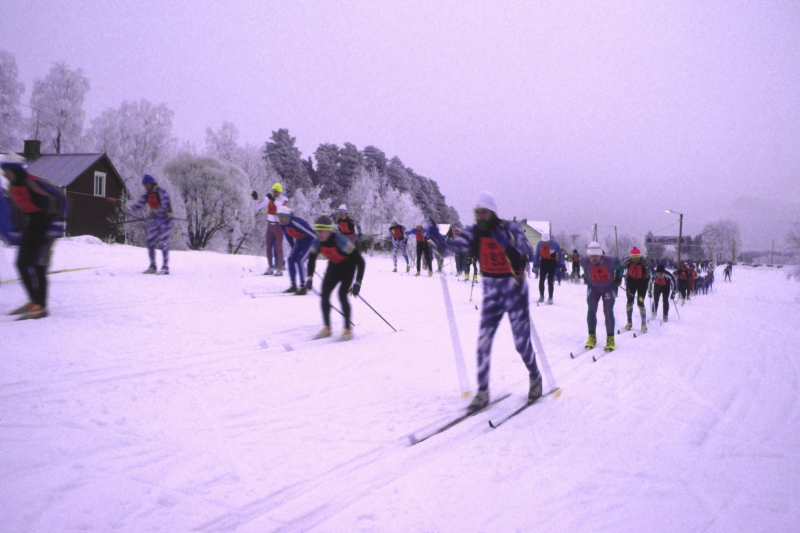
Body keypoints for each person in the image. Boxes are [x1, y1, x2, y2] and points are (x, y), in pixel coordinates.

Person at [426, 192, 542, 412]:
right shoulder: (474, 233)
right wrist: (438, 241)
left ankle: (535, 376)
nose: (480, 216)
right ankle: (482, 392)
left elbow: (528, 249)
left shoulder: (510, 228)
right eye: (477, 212)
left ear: (493, 213)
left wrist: (510, 242)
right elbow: (450, 249)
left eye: (484, 212)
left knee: (521, 342)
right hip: (491, 292)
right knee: (483, 341)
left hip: (514, 288)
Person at [1, 160, 67, 319]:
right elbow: (16, 210)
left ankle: (41, 306)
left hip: (46, 223)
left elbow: (62, 199)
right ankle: (34, 302)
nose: (6, 175)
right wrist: (16, 229)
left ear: (16, 171)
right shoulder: (13, 187)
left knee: (38, 265)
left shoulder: (35, 182)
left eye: (8, 171)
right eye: (4, 172)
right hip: (31, 224)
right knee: (22, 263)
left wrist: (58, 223)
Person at [305, 215, 366, 340]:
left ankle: (347, 329)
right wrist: (309, 277)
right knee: (325, 294)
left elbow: (360, 261)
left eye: (322, 231)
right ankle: (327, 328)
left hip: (348, 267)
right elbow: (311, 259)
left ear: (329, 230)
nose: (319, 234)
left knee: (341, 295)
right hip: (334, 267)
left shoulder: (340, 241)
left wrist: (358, 282)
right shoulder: (317, 242)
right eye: (317, 231)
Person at [580, 242, 624, 351]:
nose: (594, 258)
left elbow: (620, 268)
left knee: (608, 311)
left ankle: (610, 339)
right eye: (591, 256)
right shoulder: (584, 262)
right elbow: (586, 269)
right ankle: (592, 337)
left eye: (596, 255)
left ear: (601, 255)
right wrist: (588, 277)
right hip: (593, 287)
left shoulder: (611, 261)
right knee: (591, 310)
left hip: (608, 287)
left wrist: (618, 278)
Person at [129, 174, 174, 275]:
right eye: (144, 185)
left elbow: (165, 206)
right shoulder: (146, 195)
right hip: (156, 220)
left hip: (167, 220)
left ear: (152, 184)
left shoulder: (162, 192)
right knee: (150, 241)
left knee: (162, 243)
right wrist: (129, 209)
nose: (146, 187)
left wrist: (154, 213)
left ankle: (165, 267)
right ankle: (153, 266)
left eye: (147, 185)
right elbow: (139, 205)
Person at [277, 205, 316, 295]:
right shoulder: (283, 225)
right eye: (279, 216)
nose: (281, 219)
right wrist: (293, 247)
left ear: (288, 217)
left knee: (300, 261)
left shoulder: (297, 223)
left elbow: (313, 234)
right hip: (299, 242)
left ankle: (303, 286)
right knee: (290, 259)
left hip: (310, 242)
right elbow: (288, 236)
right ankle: (294, 285)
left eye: (283, 217)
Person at [253, 183, 288, 276]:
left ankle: (279, 269)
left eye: (277, 191)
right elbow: (256, 207)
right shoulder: (268, 198)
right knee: (268, 248)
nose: (275, 193)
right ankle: (270, 268)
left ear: (280, 192)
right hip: (270, 225)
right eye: (274, 191)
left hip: (278, 226)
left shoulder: (283, 199)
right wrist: (255, 199)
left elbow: (281, 208)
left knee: (278, 248)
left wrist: (273, 200)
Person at [621, 247, 652, 333]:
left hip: (642, 283)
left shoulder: (644, 262)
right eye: (633, 257)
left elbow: (650, 270)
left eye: (637, 256)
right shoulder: (628, 261)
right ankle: (629, 322)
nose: (635, 259)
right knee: (629, 301)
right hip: (631, 283)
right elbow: (620, 267)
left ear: (640, 256)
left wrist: (648, 276)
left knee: (640, 302)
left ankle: (643, 323)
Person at [533, 233, 563, 304]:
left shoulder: (555, 244)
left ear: (549, 240)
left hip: (552, 263)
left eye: (546, 242)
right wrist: (534, 264)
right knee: (541, 280)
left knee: (550, 280)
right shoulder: (539, 244)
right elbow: (536, 254)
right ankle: (541, 296)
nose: (545, 243)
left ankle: (550, 298)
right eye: (544, 242)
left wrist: (562, 264)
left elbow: (560, 254)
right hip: (543, 263)